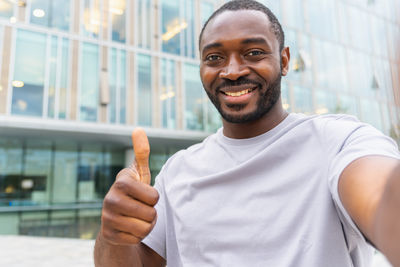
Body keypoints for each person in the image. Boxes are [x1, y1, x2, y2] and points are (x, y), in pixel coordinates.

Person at [94, 0, 400, 266]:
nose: (232, 71)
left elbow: (377, 199)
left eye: (253, 53)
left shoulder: (339, 141)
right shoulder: (178, 170)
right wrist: (113, 236)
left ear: (283, 60)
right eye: (214, 58)